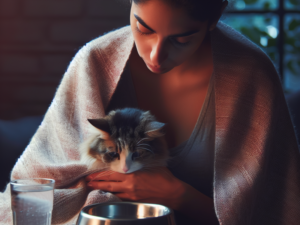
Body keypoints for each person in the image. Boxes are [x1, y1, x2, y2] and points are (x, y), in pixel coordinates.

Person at [1, 0, 299, 224]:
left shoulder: (252, 76)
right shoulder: (94, 63)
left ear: (215, 17)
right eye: (143, 28)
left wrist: (178, 195)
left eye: (181, 39)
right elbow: (30, 194)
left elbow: (275, 212)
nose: (155, 56)